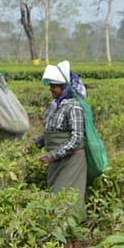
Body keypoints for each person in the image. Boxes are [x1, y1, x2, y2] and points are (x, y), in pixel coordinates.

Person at [24, 60, 87, 215]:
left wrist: (53, 155)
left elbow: (77, 138)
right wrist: (33, 144)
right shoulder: (56, 106)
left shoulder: (73, 106)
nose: (51, 89)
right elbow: (51, 133)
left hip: (72, 160)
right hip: (56, 160)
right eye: (50, 86)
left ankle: (72, 233)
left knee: (67, 197)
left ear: (64, 87)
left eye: (55, 86)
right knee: (55, 196)